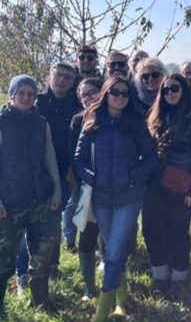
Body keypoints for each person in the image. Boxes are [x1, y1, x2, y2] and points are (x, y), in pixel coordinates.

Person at [74, 76, 158, 322]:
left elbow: (152, 159)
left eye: (125, 93)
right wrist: (91, 177)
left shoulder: (135, 124)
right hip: (101, 199)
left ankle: (100, 314)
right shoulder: (92, 123)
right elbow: (78, 161)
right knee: (113, 250)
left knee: (112, 254)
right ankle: (122, 299)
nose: (120, 97)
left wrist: (135, 177)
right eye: (115, 92)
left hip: (128, 198)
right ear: (106, 94)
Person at [144, 74, 191, 300]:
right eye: (165, 90)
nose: (169, 93)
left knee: (177, 234)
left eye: (174, 89)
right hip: (155, 185)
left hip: (181, 186)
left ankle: (179, 279)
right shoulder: (158, 116)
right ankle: (160, 276)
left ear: (183, 90)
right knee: (152, 230)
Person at [0, 75, 61, 315]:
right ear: (12, 94)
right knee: (4, 259)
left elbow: (50, 158)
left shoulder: (41, 123)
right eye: (21, 93)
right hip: (10, 202)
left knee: (42, 255)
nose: (26, 98)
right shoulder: (2, 122)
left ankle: (41, 302)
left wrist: (56, 191)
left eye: (30, 94)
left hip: (40, 201)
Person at [35, 62, 81, 280]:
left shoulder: (77, 106)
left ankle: (53, 266)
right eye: (58, 75)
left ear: (73, 82)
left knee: (54, 220)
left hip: (64, 172)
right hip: (35, 172)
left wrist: (74, 168)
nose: (61, 80)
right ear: (49, 76)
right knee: (34, 222)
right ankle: (28, 272)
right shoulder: (37, 102)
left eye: (67, 77)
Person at [68, 77, 104, 302]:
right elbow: (74, 158)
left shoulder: (114, 114)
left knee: (113, 237)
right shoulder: (77, 120)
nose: (88, 97)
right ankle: (89, 286)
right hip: (88, 186)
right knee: (88, 233)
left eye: (92, 92)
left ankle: (116, 286)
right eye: (83, 95)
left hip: (115, 187)